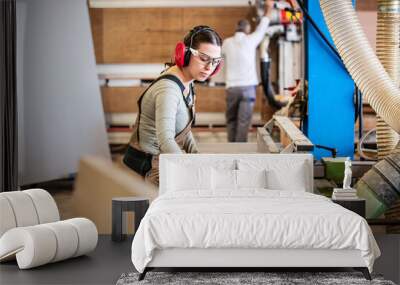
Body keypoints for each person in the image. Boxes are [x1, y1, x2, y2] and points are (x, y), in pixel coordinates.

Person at [123, 26, 223, 186]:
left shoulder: (187, 81)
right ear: (185, 54)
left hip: (161, 159)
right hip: (148, 167)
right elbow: (166, 140)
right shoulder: (168, 90)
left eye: (215, 61)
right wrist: (192, 170)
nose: (209, 67)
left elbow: (182, 130)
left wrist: (197, 157)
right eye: (204, 58)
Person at [222, 0, 274, 142]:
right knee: (243, 122)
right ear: (248, 29)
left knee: (231, 120)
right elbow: (264, 24)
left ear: (236, 28)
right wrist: (269, 7)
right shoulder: (251, 39)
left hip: (231, 88)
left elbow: (218, 60)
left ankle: (231, 148)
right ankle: (239, 150)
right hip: (247, 89)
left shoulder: (226, 43)